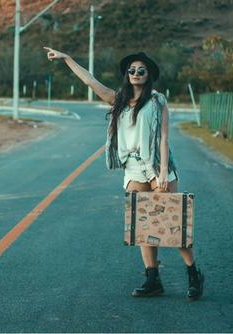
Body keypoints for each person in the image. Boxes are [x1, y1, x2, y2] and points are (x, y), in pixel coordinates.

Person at [44, 47, 205, 301]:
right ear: (127, 74)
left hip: (156, 166)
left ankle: (194, 273)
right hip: (132, 168)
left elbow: (164, 138)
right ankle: (153, 279)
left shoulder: (158, 100)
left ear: (148, 74)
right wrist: (66, 58)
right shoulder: (117, 99)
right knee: (145, 226)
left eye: (141, 70)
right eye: (132, 70)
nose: (136, 73)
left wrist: (163, 171)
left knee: (172, 224)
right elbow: (89, 79)